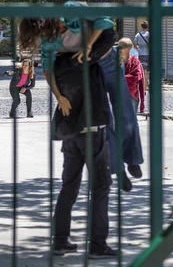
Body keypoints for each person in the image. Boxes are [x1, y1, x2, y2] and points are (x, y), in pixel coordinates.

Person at [18, 18, 116, 259]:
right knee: (101, 185)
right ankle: (97, 244)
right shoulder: (85, 60)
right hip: (92, 128)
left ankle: (60, 241)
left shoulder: (57, 64)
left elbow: (47, 71)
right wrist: (89, 31)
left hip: (69, 132)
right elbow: (109, 34)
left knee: (69, 187)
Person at [21, 3, 144, 191]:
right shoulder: (49, 38)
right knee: (106, 121)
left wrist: (88, 45)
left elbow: (104, 21)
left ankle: (132, 159)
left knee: (126, 114)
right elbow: (47, 69)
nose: (49, 34)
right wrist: (59, 96)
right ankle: (118, 169)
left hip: (106, 59)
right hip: (89, 70)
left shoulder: (71, 9)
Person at [117, 38, 145, 116]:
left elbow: (137, 76)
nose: (120, 48)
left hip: (132, 95)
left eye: (122, 46)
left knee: (132, 121)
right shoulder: (115, 61)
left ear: (129, 48)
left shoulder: (135, 61)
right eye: (119, 46)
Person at [133, 22, 150, 87]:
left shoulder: (138, 35)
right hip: (149, 55)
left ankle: (143, 88)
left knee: (143, 71)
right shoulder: (149, 34)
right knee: (148, 71)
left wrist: (138, 50)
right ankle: (146, 85)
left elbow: (134, 45)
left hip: (141, 55)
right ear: (147, 27)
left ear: (142, 27)